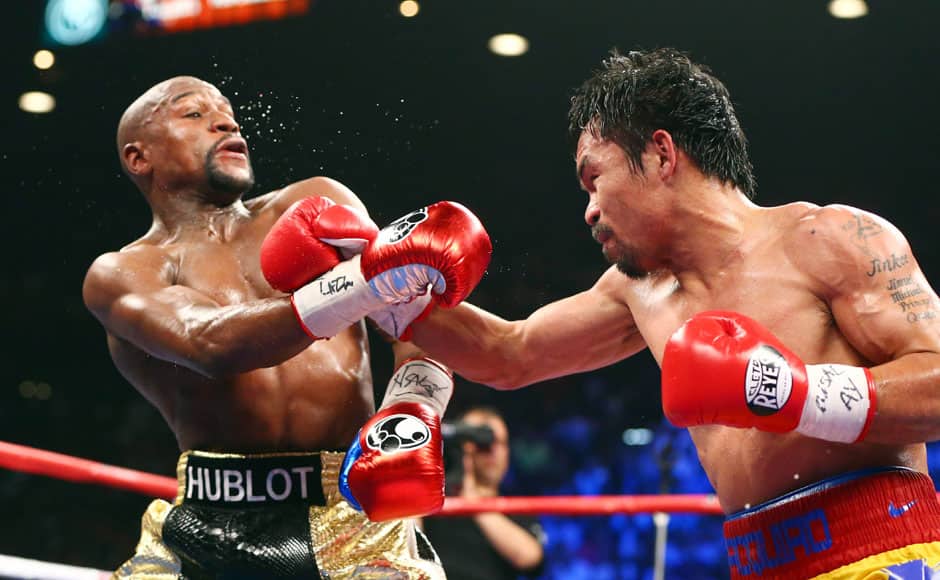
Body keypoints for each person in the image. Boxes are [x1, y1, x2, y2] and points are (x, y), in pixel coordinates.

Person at [403, 48, 940, 579]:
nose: (589, 210)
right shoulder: (638, 291)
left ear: (661, 154)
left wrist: (795, 393)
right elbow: (507, 354)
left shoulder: (828, 239)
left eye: (595, 180)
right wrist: (378, 284)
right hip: (759, 564)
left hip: (882, 555)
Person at [82, 75, 491, 579]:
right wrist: (364, 279)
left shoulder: (314, 201)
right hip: (208, 522)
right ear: (138, 157)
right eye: (193, 114)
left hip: (352, 515)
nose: (226, 121)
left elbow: (415, 323)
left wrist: (410, 411)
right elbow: (209, 342)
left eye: (228, 111)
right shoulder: (122, 273)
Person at [421, 407, 545, 580]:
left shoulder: (516, 508)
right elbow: (406, 548)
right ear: (461, 445)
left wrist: (473, 501)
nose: (491, 451)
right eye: (482, 442)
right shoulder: (432, 500)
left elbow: (530, 558)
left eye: (499, 442)